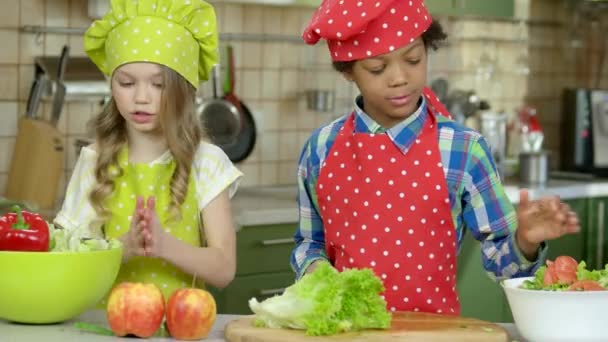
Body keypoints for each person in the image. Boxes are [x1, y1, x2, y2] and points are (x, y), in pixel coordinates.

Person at [291, 0, 580, 315]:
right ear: (348, 71)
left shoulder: (464, 149)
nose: (399, 77)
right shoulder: (321, 149)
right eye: (377, 68)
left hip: (435, 332)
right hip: (345, 332)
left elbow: (505, 266)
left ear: (428, 50)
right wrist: (313, 268)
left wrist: (524, 240)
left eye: (413, 60)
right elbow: (309, 241)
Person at [53, 0, 242, 302]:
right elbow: (65, 263)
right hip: (104, 329)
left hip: (181, 331)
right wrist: (124, 247)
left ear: (184, 89)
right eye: (126, 83)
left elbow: (224, 269)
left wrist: (164, 246)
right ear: (111, 85)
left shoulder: (206, 162)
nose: (141, 97)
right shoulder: (94, 161)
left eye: (158, 84)